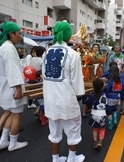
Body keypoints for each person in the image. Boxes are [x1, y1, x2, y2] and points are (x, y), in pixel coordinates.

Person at [42, 21, 85, 162]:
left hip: (50, 101)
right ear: (68, 36)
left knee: (54, 132)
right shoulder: (73, 54)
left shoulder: (46, 53)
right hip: (67, 101)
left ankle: (55, 159)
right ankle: (72, 158)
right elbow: (78, 85)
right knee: (73, 131)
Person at [0, 21, 28, 151]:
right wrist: (19, 89)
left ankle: (3, 140)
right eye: (19, 33)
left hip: (5, 87)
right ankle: (13, 143)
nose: (21, 36)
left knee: (11, 114)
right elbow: (12, 70)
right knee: (17, 115)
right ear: (11, 34)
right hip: (12, 88)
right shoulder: (9, 48)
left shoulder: (3, 47)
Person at [85, 78, 107, 150]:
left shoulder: (92, 96)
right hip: (102, 114)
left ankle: (95, 141)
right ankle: (100, 141)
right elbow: (107, 104)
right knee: (102, 128)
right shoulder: (104, 95)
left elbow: (87, 103)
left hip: (94, 114)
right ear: (102, 86)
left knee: (95, 128)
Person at [103, 65, 122, 130]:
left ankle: (110, 125)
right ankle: (115, 120)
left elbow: (108, 89)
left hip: (110, 97)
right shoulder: (119, 80)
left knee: (109, 112)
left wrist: (104, 91)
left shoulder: (111, 80)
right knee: (114, 108)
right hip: (117, 97)